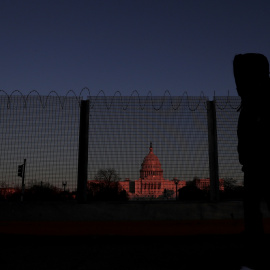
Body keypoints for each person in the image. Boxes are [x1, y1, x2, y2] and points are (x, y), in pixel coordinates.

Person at [233, 53, 270, 270]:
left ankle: (256, 257)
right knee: (252, 211)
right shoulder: (251, 97)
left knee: (253, 210)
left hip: (261, 163)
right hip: (253, 163)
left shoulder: (259, 97)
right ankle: (255, 254)